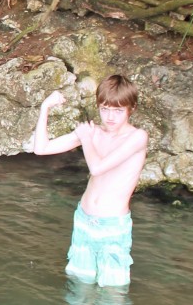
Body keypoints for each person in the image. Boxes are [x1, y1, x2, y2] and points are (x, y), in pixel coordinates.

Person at [32, 75, 148, 286]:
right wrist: (45, 107)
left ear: (132, 108)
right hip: (84, 220)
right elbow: (41, 149)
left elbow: (97, 168)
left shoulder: (137, 137)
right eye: (105, 109)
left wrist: (85, 138)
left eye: (118, 110)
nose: (110, 117)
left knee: (112, 293)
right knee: (78, 288)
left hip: (112, 226)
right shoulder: (94, 133)